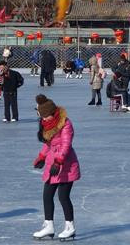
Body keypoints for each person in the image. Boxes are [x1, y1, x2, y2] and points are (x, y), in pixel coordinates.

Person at [32, 94, 80, 241]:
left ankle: (70, 227)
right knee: (47, 195)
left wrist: (59, 162)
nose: (43, 119)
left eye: (45, 116)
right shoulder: (47, 124)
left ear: (52, 113)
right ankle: (49, 226)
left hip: (66, 165)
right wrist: (41, 157)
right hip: (52, 164)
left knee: (63, 197)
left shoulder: (65, 123)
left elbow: (66, 144)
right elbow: (49, 144)